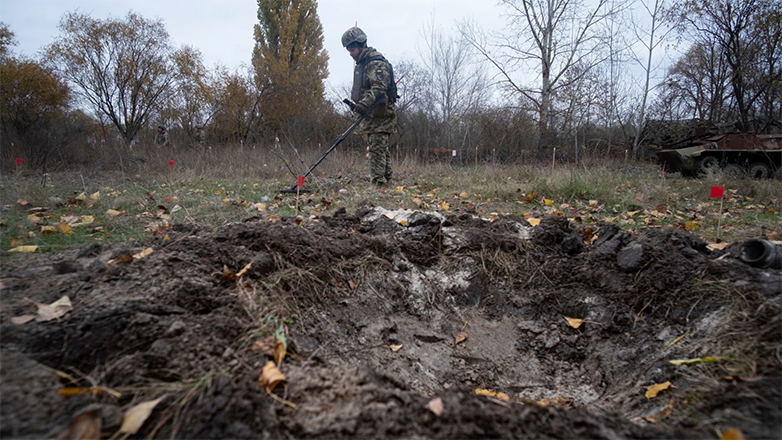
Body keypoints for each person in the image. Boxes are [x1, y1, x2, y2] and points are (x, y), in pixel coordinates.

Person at [342, 27, 397, 186]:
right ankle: (385, 182)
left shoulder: (375, 63)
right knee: (379, 148)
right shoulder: (363, 63)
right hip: (372, 114)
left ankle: (379, 184)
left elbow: (378, 89)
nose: (350, 53)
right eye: (348, 50)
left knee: (377, 150)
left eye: (352, 49)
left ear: (360, 45)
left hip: (381, 114)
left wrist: (362, 105)